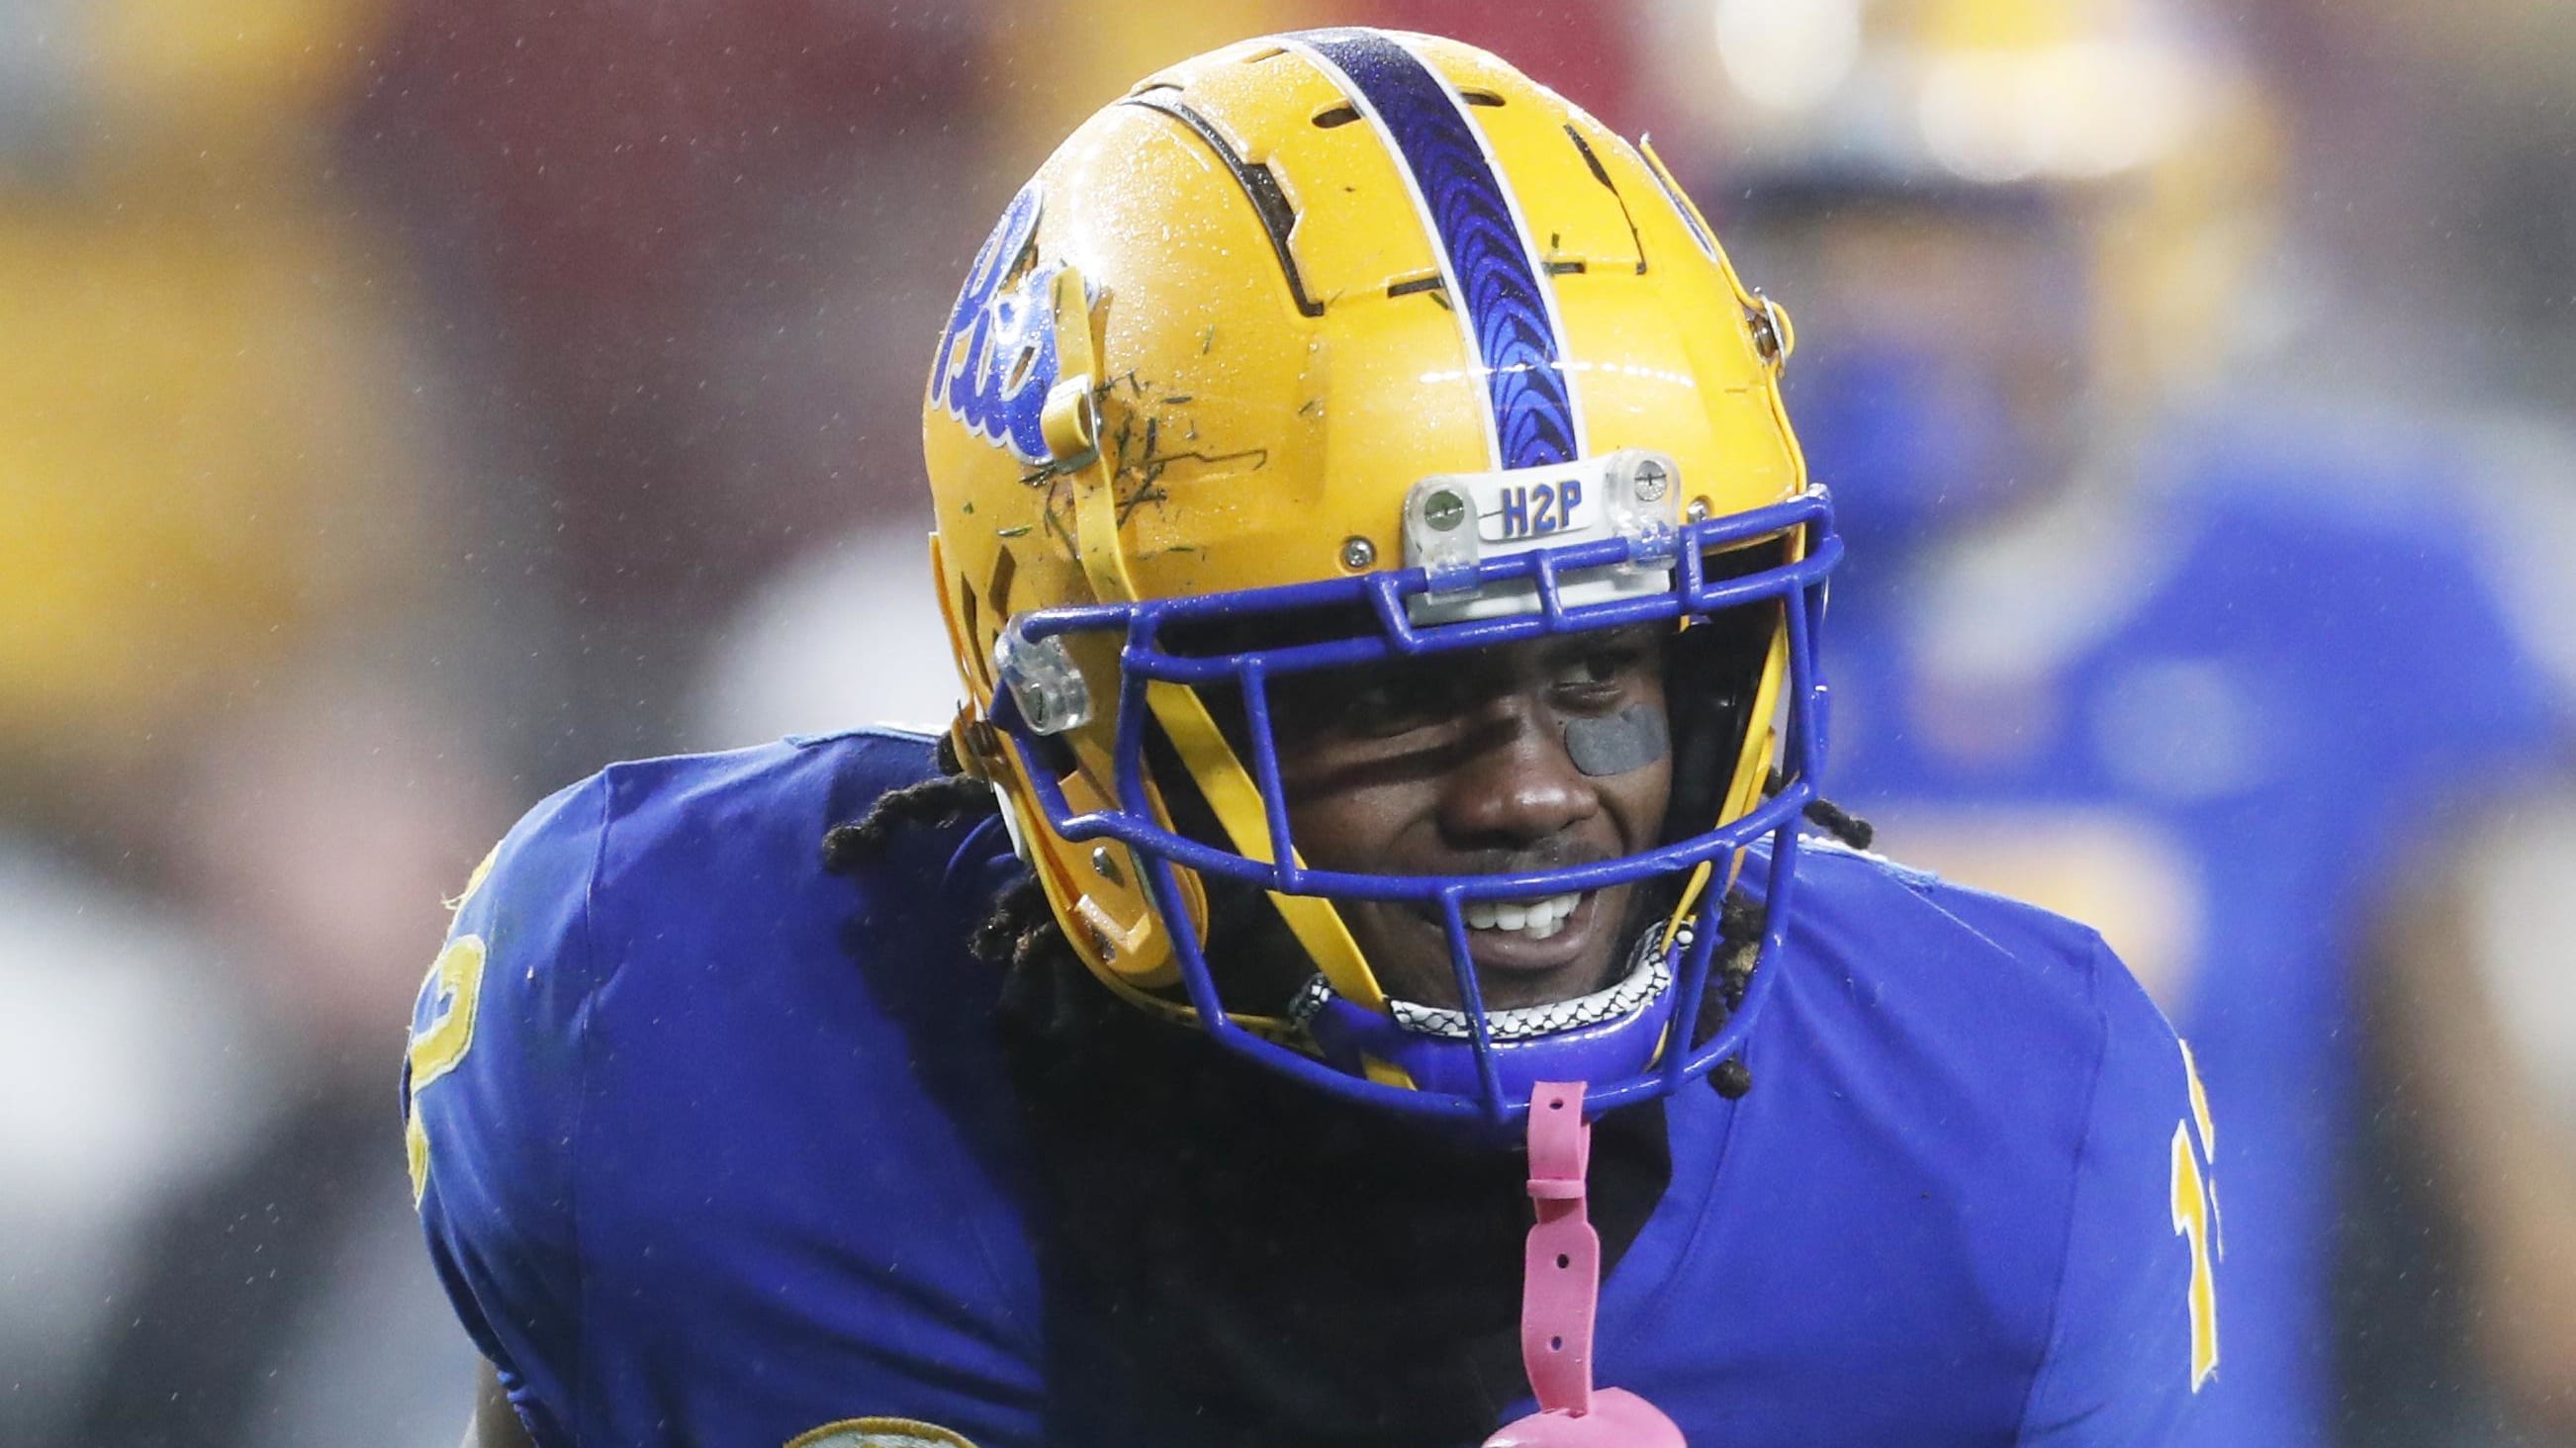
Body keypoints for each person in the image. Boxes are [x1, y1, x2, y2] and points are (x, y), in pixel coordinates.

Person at [406, 29, 2224, 1447]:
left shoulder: (1996, 1154)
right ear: (1061, 707)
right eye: (1382, 692)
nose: (1529, 792)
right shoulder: (668, 1031)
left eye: (1606, 675)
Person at [1649, 1, 2575, 1442]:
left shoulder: (2367, 601)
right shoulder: (1673, 605)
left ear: (2150, 256)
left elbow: (2526, 1230)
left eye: (1970, 239)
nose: (1896, 304)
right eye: (1854, 229)